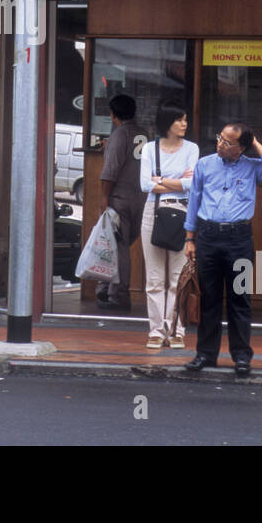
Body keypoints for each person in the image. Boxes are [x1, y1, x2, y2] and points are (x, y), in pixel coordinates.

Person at [183, 122, 262, 377]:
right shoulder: (205, 165)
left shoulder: (253, 168)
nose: (220, 144)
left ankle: (241, 356)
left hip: (239, 238)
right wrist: (189, 238)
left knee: (240, 299)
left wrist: (255, 144)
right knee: (210, 299)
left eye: (228, 142)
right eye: (220, 138)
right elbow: (194, 199)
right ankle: (205, 354)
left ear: (241, 148)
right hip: (208, 235)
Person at [138, 103, 199, 349]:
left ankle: (176, 330)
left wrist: (161, 180)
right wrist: (178, 181)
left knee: (178, 277)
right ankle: (156, 330)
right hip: (153, 212)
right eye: (179, 120)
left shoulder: (192, 148)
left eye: (185, 119)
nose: (184, 124)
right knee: (154, 277)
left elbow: (192, 183)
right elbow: (144, 184)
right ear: (167, 123)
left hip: (182, 212)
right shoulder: (150, 149)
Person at [96, 94, 145, 312]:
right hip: (141, 198)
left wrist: (104, 198)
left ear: (113, 115)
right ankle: (105, 288)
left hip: (121, 198)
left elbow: (110, 171)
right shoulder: (144, 134)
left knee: (119, 246)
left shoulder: (119, 134)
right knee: (120, 244)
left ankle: (119, 295)